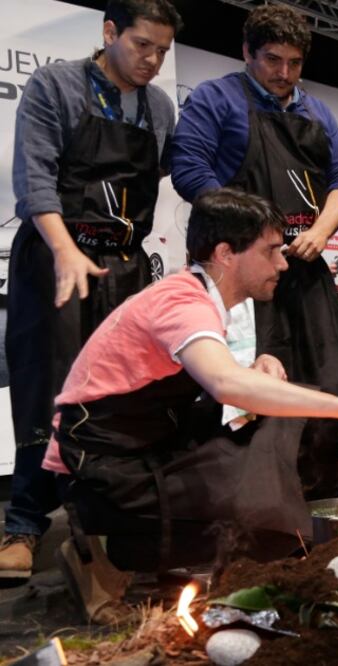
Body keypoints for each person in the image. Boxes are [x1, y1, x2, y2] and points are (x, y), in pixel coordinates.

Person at [41, 188, 338, 623]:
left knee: (269, 453)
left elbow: (214, 371)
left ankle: (127, 546)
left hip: (136, 446)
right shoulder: (182, 302)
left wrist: (254, 367)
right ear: (226, 253)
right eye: (271, 251)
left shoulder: (199, 297)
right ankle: (101, 550)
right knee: (268, 525)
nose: (283, 263)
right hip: (101, 467)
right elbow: (222, 382)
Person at [1, 0, 181, 580]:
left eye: (162, 51)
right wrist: (66, 251)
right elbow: (34, 179)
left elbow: (156, 180)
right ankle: (24, 525)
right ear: (109, 32)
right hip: (55, 260)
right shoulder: (56, 86)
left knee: (118, 398)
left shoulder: (158, 106)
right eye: (142, 46)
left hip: (122, 268)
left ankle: (102, 525)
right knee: (47, 392)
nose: (152, 60)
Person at [170, 4, 338, 500]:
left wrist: (320, 229)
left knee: (331, 377)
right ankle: (251, 502)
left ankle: (318, 496)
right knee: (250, 383)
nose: (284, 74)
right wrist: (253, 233)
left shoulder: (316, 112)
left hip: (306, 265)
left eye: (294, 63)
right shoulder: (215, 99)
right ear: (247, 52)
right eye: (272, 60)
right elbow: (190, 170)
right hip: (244, 273)